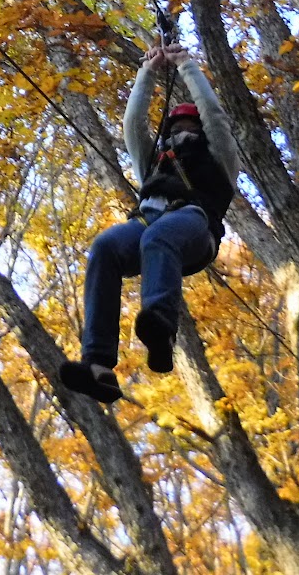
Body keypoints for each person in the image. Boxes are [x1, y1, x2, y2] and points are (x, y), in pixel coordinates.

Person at [59, 43, 239, 403]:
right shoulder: (155, 163)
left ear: (202, 131)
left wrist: (186, 65)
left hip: (194, 224)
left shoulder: (219, 159)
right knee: (105, 247)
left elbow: (215, 116)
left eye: (190, 125)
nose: (182, 131)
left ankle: (160, 327)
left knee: (159, 236)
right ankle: (98, 365)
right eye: (176, 126)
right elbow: (133, 124)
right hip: (148, 222)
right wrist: (148, 71)